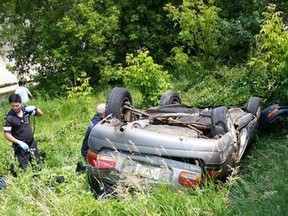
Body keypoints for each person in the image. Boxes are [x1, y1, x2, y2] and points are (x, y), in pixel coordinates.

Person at [3, 93, 43, 170]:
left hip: (31, 143)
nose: (15, 108)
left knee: (38, 165)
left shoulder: (25, 110)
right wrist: (19, 142)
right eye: (13, 106)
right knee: (23, 169)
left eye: (17, 105)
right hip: (20, 147)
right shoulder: (9, 117)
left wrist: (35, 108)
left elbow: (40, 114)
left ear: (21, 103)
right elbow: (7, 134)